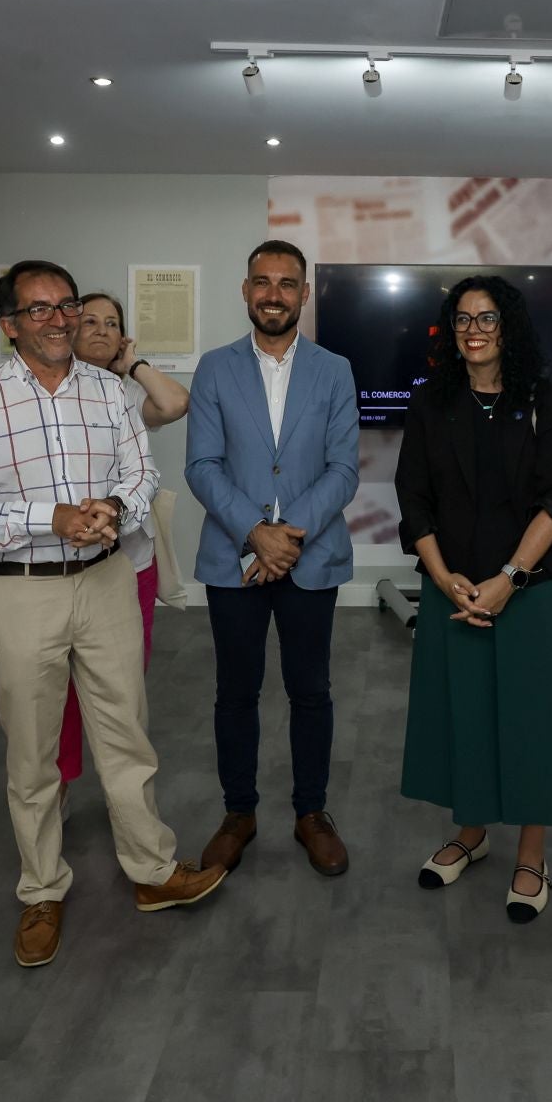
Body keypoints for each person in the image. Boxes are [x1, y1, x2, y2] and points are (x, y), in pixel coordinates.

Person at [0, 260, 226, 970]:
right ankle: (41, 890)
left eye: (66, 306)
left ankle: (153, 873)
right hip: (22, 587)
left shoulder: (109, 393)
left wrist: (116, 508)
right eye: (39, 310)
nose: (59, 319)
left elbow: (141, 472)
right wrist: (53, 517)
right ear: (10, 325)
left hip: (106, 583)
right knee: (33, 752)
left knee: (126, 735)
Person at [394, 275, 552, 922]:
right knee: (466, 717)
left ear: (507, 327)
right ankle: (473, 835)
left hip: (530, 594)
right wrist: (443, 574)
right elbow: (414, 498)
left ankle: (532, 856)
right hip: (451, 588)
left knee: (532, 725)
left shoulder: (547, 400)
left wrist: (508, 578)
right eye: (461, 320)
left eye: (486, 319)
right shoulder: (430, 402)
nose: (473, 331)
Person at [184, 240, 360, 877]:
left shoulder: (335, 369)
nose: (275, 294)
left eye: (288, 283)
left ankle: (311, 812)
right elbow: (201, 465)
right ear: (245, 290)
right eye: (263, 281)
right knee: (236, 693)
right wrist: (258, 533)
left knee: (311, 691)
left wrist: (287, 537)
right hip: (234, 559)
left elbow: (344, 470)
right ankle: (239, 813)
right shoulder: (213, 369)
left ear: (305, 294)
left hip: (310, 559)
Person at [52, 291, 191, 801]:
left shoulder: (127, 398)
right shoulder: (45, 395)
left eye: (112, 323)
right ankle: (61, 784)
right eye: (89, 321)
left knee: (123, 687)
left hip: (130, 562)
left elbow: (175, 403)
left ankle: (126, 798)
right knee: (57, 692)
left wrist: (132, 364)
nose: (101, 330)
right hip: (61, 566)